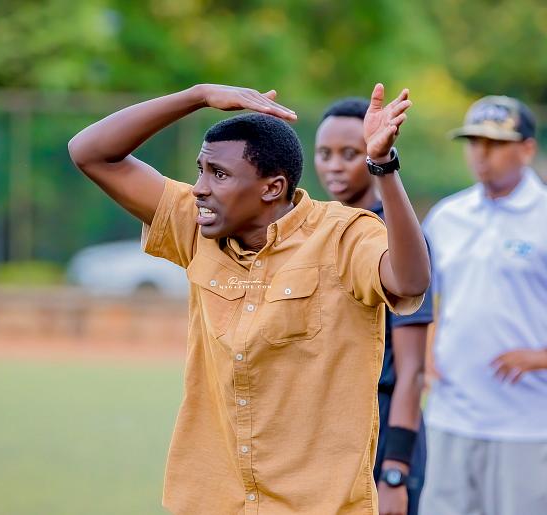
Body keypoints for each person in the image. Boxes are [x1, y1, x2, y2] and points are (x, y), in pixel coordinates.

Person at [68, 83, 430, 514]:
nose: (199, 188)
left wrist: (383, 166)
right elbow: (89, 153)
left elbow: (410, 281)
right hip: (213, 502)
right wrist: (197, 95)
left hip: (318, 505)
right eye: (201, 170)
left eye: (218, 174)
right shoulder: (196, 227)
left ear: (272, 188)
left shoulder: (344, 235)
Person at [419, 96, 547, 515]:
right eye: (474, 142)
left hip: (528, 422)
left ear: (527, 148)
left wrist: (540, 357)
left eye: (495, 143)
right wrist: (426, 352)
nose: (481, 153)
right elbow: (421, 298)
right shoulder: (447, 216)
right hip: (451, 413)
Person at [314, 97, 433, 515]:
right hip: (328, 431)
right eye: (324, 154)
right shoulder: (317, 227)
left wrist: (395, 471)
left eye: (349, 154)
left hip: (382, 429)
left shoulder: (397, 237)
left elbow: (412, 370)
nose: (334, 166)